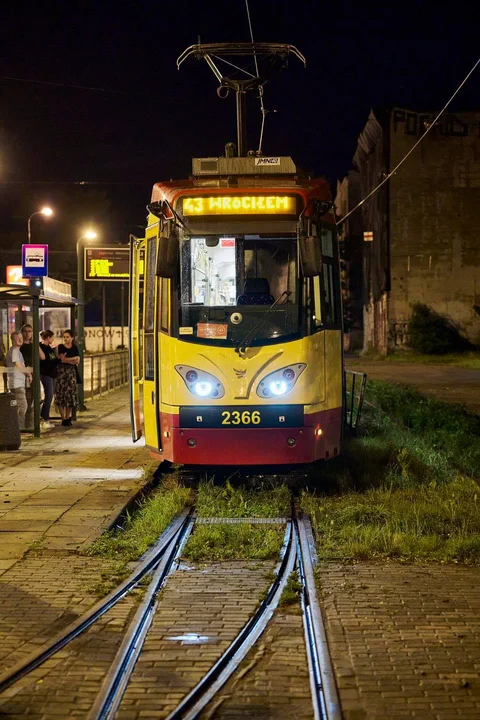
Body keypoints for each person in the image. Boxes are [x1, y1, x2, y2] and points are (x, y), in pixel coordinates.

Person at [5, 331, 33, 430]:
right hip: (17, 384)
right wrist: (29, 373)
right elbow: (19, 365)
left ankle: (17, 427)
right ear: (12, 340)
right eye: (17, 338)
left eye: (21, 337)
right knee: (23, 406)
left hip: (16, 383)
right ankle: (19, 427)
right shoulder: (14, 351)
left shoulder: (16, 351)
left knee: (18, 406)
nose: (20, 339)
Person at [55, 329, 80, 426]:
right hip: (61, 373)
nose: (65, 339)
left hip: (71, 374)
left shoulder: (75, 348)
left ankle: (68, 417)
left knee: (70, 394)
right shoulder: (60, 347)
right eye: (64, 337)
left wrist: (68, 360)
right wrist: (72, 359)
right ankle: (63, 418)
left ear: (72, 338)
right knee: (61, 394)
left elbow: (78, 361)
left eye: (67, 337)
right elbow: (61, 360)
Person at [39, 330, 59, 429]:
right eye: (52, 337)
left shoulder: (49, 348)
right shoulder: (42, 348)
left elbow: (52, 360)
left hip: (51, 374)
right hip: (46, 374)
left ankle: (43, 417)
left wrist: (58, 359)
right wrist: (57, 360)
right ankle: (44, 418)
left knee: (49, 397)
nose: (53, 339)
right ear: (48, 338)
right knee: (49, 396)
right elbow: (47, 362)